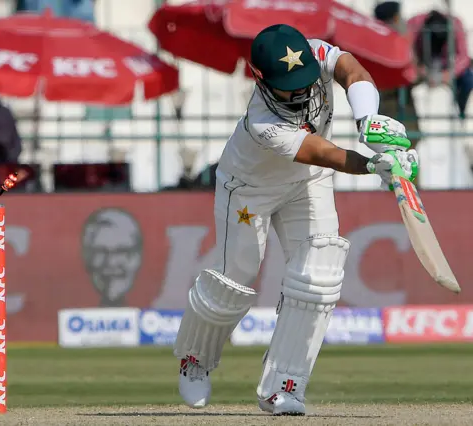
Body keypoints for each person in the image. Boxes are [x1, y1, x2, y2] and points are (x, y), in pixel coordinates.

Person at [172, 24, 419, 416]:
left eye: (304, 79)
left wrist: (368, 120)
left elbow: (354, 72)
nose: (302, 90)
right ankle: (194, 358)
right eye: (290, 84)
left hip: (306, 184)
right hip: (248, 190)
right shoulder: (263, 123)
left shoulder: (315, 53)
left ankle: (283, 386)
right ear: (261, 79)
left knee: (320, 276)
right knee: (234, 279)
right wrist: (374, 164)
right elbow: (322, 152)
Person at [407, 1, 473, 119]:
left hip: (447, 66)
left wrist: (449, 74)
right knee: (402, 82)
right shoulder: (414, 23)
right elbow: (406, 51)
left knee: (469, 79)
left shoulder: (455, 23)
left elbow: (464, 57)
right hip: (422, 65)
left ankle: (462, 113)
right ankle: (409, 121)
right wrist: (419, 68)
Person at [373, 2, 422, 151]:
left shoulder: (377, 42)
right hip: (395, 113)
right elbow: (413, 76)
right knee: (399, 161)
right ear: (394, 19)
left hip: (399, 110)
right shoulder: (391, 44)